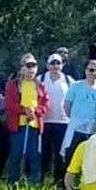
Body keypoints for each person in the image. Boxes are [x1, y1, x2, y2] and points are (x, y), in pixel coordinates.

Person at [61, 58, 96, 166]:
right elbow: (67, 106)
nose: (94, 73)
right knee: (71, 158)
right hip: (76, 129)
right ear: (85, 70)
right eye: (91, 70)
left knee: (90, 161)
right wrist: (75, 120)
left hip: (93, 131)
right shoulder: (76, 86)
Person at [6, 55, 48, 185]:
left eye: (34, 66)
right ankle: (13, 182)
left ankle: (33, 183)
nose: (31, 69)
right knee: (16, 155)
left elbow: (45, 105)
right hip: (18, 125)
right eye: (28, 66)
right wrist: (24, 110)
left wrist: (35, 111)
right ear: (22, 68)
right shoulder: (13, 85)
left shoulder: (40, 86)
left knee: (34, 156)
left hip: (34, 126)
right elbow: (9, 104)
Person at [38, 53, 72, 182]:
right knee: (43, 152)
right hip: (44, 121)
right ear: (47, 65)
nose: (55, 66)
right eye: (52, 63)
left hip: (63, 122)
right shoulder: (40, 79)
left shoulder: (69, 80)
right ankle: (40, 180)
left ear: (62, 65)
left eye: (58, 63)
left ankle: (58, 181)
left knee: (60, 154)